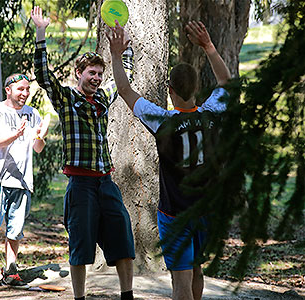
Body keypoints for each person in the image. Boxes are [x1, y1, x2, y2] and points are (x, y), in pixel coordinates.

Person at [108, 21, 231, 300]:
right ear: (197, 89)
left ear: (170, 90)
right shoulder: (210, 115)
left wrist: (116, 56)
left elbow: (126, 92)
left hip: (175, 213)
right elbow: (226, 82)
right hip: (206, 211)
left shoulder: (163, 121)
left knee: (181, 282)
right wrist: (209, 46)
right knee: (197, 271)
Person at [31, 6, 135, 300]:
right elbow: (42, 74)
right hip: (80, 186)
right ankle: (79, 298)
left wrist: (122, 46)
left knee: (123, 242)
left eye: (100, 74)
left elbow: (123, 76)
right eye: (92, 73)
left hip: (107, 183)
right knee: (80, 248)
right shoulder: (65, 98)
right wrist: (41, 32)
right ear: (79, 73)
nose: (97, 78)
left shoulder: (102, 96)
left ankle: (127, 295)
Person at [0, 73, 47, 290]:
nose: (25, 93)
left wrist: (40, 135)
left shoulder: (33, 113)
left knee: (15, 229)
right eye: (20, 89)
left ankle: (10, 271)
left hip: (22, 182)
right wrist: (16, 134)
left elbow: (38, 148)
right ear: (8, 90)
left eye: (27, 89)